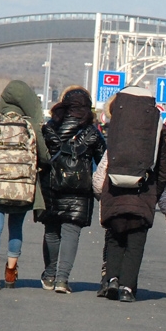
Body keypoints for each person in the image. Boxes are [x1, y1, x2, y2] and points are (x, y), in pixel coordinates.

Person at [0, 80, 50, 290]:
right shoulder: (30, 124)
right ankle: (11, 272)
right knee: (16, 227)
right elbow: (44, 157)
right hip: (22, 188)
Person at [94, 87, 166, 303]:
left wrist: (101, 191)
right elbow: (163, 167)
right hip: (143, 192)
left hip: (114, 192)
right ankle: (127, 288)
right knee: (136, 243)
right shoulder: (157, 129)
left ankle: (112, 280)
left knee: (116, 238)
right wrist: (155, 193)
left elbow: (106, 161)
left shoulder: (116, 125)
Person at [38, 86, 106, 294]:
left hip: (51, 185)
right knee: (70, 232)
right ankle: (62, 280)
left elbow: (40, 156)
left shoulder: (49, 127)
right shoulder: (92, 132)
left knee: (51, 230)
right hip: (78, 189)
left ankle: (49, 275)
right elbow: (103, 161)